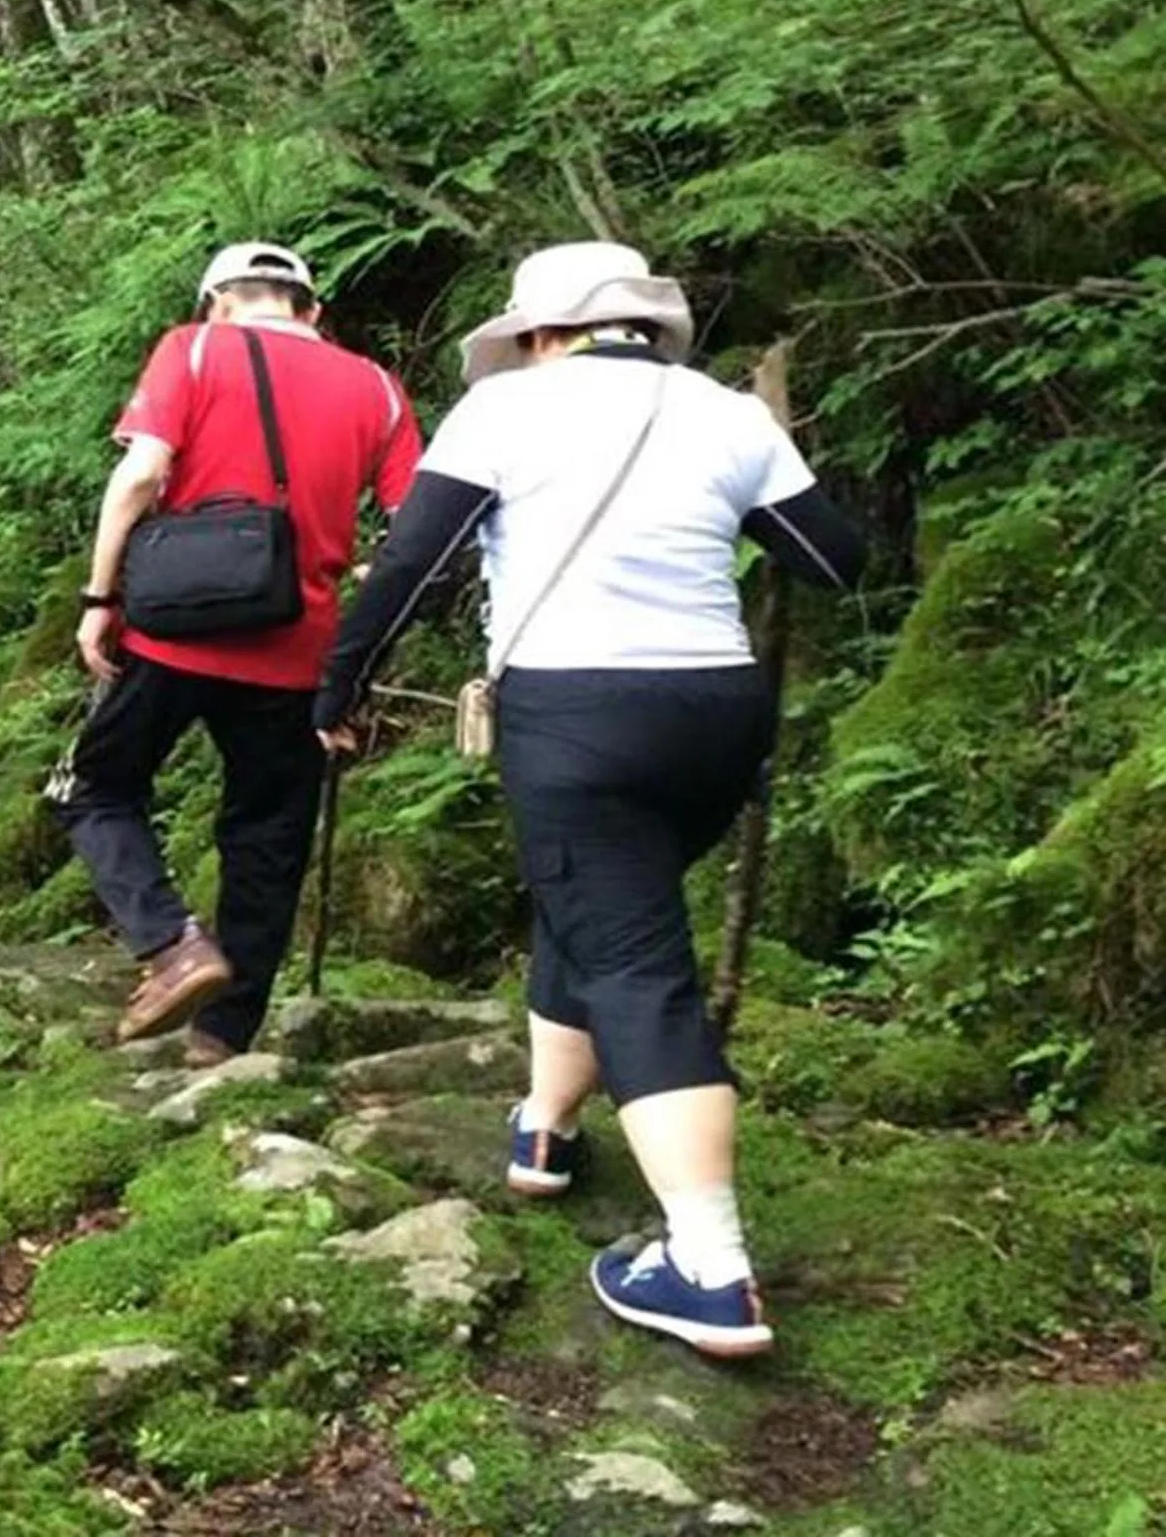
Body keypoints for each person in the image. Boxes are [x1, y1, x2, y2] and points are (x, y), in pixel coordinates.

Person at [313, 241, 864, 1360]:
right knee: (605, 911)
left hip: (576, 716)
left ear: (537, 333)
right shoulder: (727, 417)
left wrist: (341, 687)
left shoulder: (507, 413)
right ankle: (548, 1128)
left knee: (632, 962)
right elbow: (832, 559)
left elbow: (414, 565)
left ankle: (711, 1269)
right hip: (716, 716)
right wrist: (764, 451)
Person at [54, 240, 422, 1057]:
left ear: (217, 301)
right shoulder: (377, 389)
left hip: (172, 632)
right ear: (311, 311)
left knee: (96, 787)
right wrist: (358, 656)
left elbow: (144, 474)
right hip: (300, 647)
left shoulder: (191, 349)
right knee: (267, 834)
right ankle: (224, 1034)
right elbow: (414, 532)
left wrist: (98, 596)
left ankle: (173, 944)